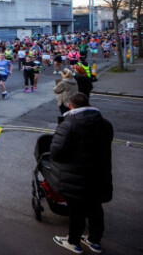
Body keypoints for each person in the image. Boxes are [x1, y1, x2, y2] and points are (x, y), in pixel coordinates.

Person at [50, 93, 113, 254]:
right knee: (95, 208)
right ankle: (94, 241)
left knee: (77, 211)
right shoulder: (105, 124)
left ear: (70, 106)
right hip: (99, 173)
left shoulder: (68, 124)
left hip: (76, 176)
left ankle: (73, 242)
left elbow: (56, 152)